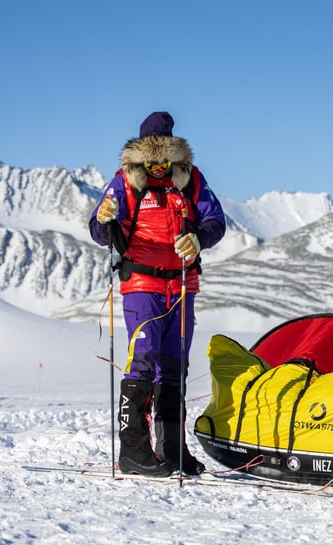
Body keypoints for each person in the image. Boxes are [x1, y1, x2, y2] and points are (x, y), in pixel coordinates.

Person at [89, 111, 226, 477]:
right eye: (152, 162)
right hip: (142, 285)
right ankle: (133, 451)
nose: (159, 169)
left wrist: (199, 238)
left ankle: (171, 449)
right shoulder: (124, 182)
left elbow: (216, 221)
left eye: (165, 161)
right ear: (139, 158)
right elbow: (100, 232)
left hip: (182, 286)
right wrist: (105, 218)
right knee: (144, 360)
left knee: (174, 368)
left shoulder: (191, 180)